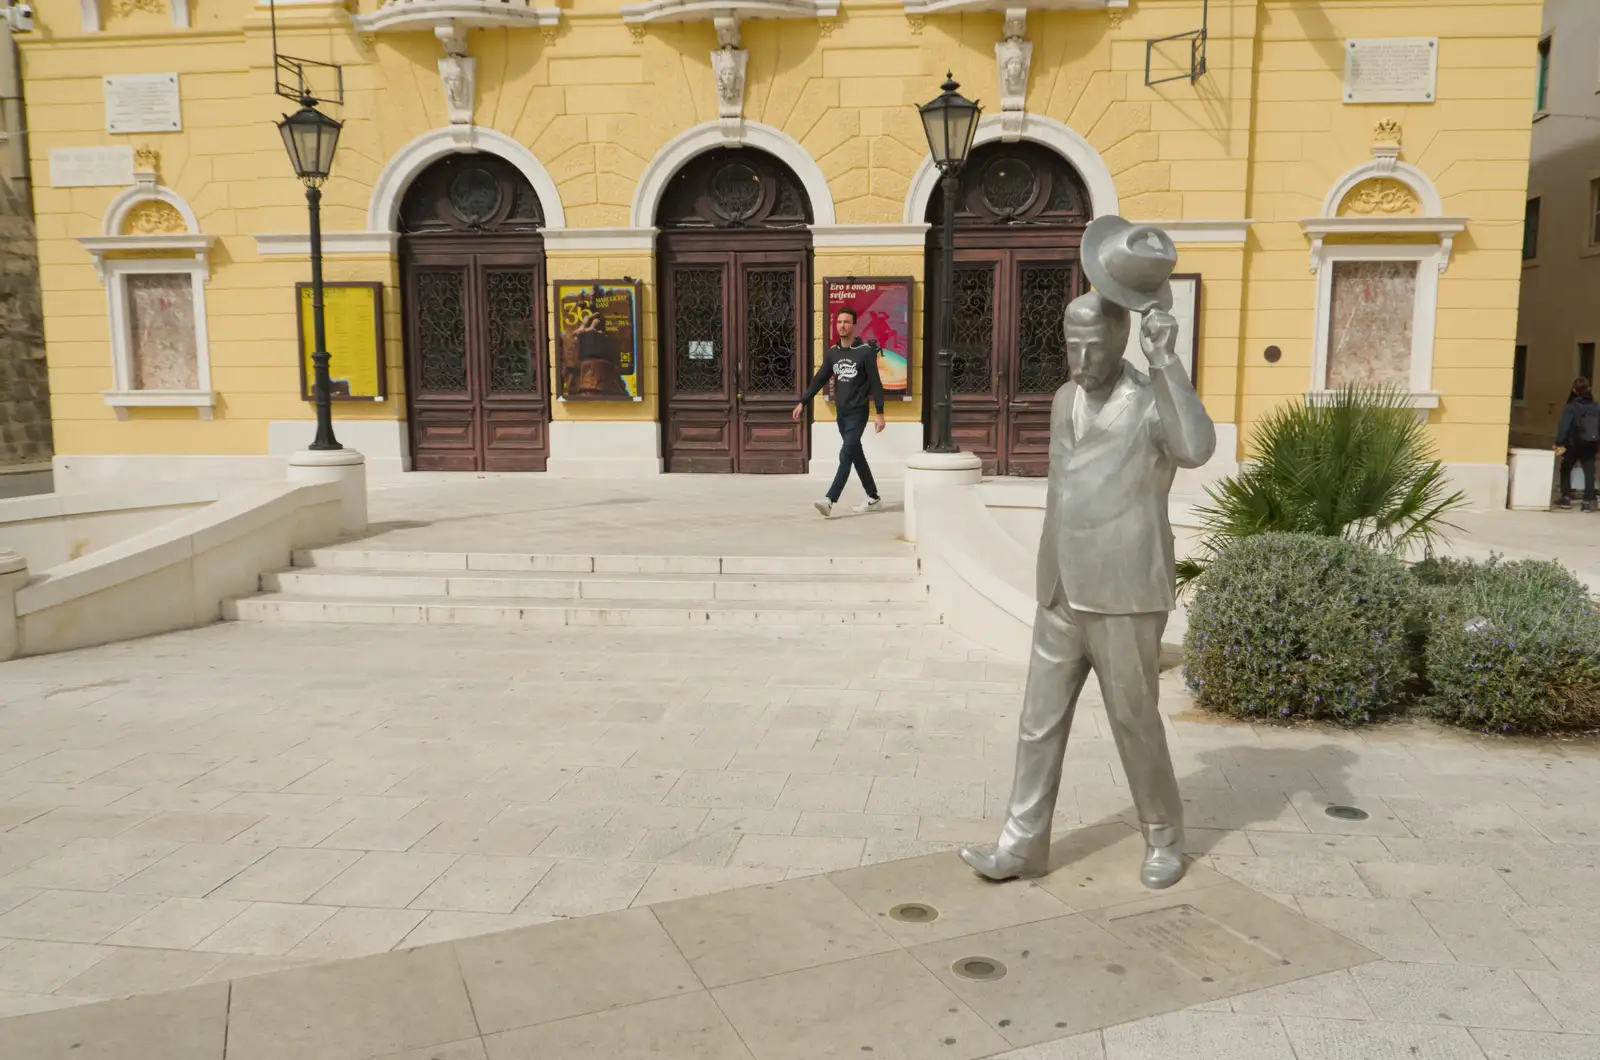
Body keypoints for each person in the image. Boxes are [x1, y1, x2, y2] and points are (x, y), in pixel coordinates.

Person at [959, 216, 1215, 891]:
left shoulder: (1152, 400)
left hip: (1127, 591)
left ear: (1120, 338)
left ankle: (1164, 837)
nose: (1078, 363)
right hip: (1061, 588)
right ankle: (1022, 843)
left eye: (1090, 349)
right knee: (1037, 722)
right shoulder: (1064, 397)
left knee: (1134, 720)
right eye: (1069, 347)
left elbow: (1195, 447)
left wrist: (1168, 363)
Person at [794, 307, 886, 517]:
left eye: (846, 322)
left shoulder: (864, 351)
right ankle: (873, 497)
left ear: (854, 325)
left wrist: (879, 413)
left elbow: (876, 383)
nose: (842, 325)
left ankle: (830, 499)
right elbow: (819, 379)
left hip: (858, 412)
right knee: (855, 454)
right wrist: (803, 402)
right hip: (841, 414)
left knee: (846, 453)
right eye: (839, 322)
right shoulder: (833, 353)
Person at [1555, 376, 1600, 511]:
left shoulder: (1570, 407)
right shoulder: (1596, 407)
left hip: (1573, 443)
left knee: (1566, 469)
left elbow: (1564, 427)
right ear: (1589, 389)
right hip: (1591, 443)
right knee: (1589, 471)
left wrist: (1559, 443)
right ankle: (1588, 501)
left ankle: (1566, 498)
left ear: (1574, 391)